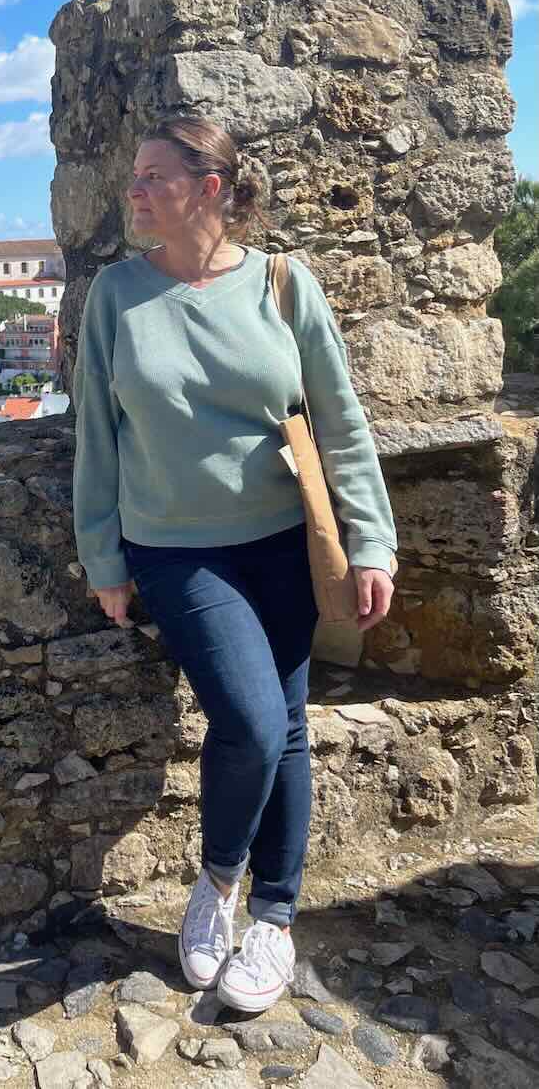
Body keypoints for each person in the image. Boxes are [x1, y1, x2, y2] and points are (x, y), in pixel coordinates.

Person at [71, 114, 398, 1014]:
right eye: (130, 178)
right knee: (254, 723)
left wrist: (370, 540)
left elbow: (338, 418)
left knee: (287, 724)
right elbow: (96, 435)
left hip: (284, 539)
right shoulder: (116, 294)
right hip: (172, 547)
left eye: (150, 177)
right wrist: (102, 553)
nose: (131, 193)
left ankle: (275, 916)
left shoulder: (284, 285)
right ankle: (217, 883)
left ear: (209, 188)